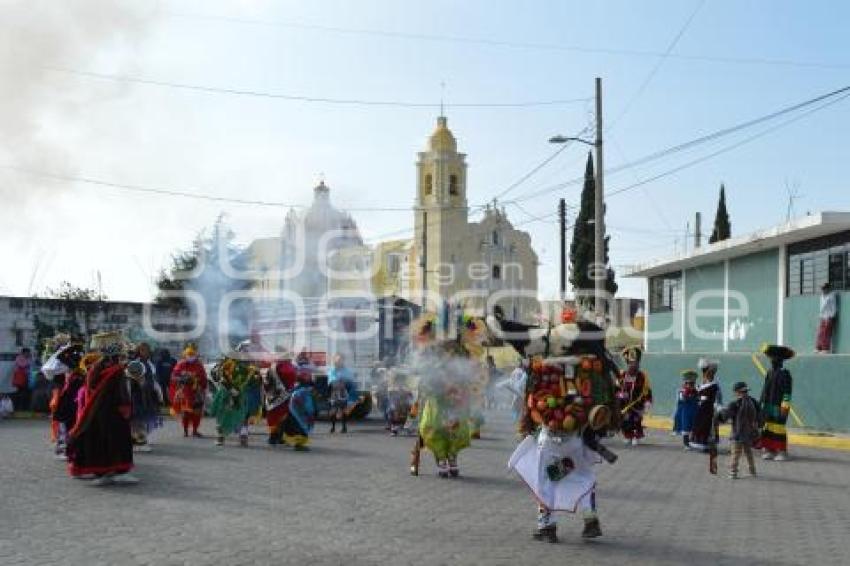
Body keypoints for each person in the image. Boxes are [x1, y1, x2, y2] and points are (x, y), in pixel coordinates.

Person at [66, 332, 138, 486]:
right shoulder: (117, 371)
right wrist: (126, 409)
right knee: (118, 441)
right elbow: (122, 393)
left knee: (101, 441)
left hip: (98, 411)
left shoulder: (97, 368)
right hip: (114, 413)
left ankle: (103, 472)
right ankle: (120, 472)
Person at [719, 381, 761, 479]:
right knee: (748, 453)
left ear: (736, 392)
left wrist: (719, 412)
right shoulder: (753, 401)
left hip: (737, 434)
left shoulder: (734, 404)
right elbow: (758, 416)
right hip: (748, 433)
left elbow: (725, 416)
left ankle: (733, 472)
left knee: (735, 454)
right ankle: (752, 471)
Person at [759, 345, 794, 461]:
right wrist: (761, 403)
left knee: (778, 428)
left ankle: (781, 451)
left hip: (780, 406)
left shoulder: (785, 374)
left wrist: (785, 406)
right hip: (768, 404)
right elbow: (765, 389)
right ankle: (769, 449)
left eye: (775, 358)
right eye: (771, 358)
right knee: (768, 426)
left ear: (780, 361)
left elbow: (787, 393)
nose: (772, 360)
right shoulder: (769, 372)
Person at [128, 343, 163, 452]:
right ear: (139, 351)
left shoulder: (148, 362)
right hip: (137, 394)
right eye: (143, 350)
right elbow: (133, 378)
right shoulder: (136, 363)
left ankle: (139, 439)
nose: (146, 352)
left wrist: (156, 389)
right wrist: (141, 383)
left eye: (147, 350)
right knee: (138, 418)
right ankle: (139, 442)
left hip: (148, 394)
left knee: (144, 418)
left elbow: (152, 378)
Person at [170, 343, 208, 438]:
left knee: (197, 412)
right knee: (185, 413)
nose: (191, 357)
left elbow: (204, 378)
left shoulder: (199, 365)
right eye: (189, 355)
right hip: (184, 392)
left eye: (192, 355)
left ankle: (195, 430)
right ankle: (185, 430)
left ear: (195, 355)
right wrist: (183, 379)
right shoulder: (180, 364)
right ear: (185, 355)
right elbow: (174, 377)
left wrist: (198, 381)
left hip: (196, 392)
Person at [617, 346, 653, 446]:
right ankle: (628, 436)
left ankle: (636, 436)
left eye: (636, 363)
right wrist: (619, 395)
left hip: (637, 404)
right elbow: (617, 388)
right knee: (625, 421)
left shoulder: (642, 376)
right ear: (627, 364)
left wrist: (647, 401)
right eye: (631, 364)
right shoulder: (622, 375)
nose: (633, 366)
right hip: (624, 405)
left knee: (636, 421)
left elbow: (647, 390)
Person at [689, 359, 722, 454]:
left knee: (709, 427)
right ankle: (701, 444)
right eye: (706, 372)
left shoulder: (715, 385)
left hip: (709, 410)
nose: (708, 375)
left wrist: (716, 407)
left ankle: (709, 445)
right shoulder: (701, 384)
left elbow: (718, 399)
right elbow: (698, 395)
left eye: (711, 373)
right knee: (700, 426)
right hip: (701, 410)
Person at [327, 354, 357, 434]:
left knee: (343, 410)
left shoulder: (347, 370)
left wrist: (344, 382)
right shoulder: (332, 369)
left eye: (340, 360)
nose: (338, 361)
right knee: (333, 410)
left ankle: (344, 427)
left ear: (343, 361)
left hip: (343, 392)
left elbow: (350, 380)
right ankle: (333, 427)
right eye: (337, 360)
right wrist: (338, 380)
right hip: (334, 392)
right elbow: (331, 380)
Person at [672, 370, 700, 449]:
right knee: (686, 427)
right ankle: (686, 443)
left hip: (695, 411)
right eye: (687, 383)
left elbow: (699, 399)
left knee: (694, 427)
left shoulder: (697, 390)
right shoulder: (681, 391)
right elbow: (682, 400)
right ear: (684, 383)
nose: (689, 385)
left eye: (691, 383)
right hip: (685, 412)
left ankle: (693, 441)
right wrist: (687, 392)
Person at [816, 282, 838, 353]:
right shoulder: (822, 296)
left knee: (826, 333)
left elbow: (834, 307)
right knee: (820, 333)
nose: (823, 290)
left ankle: (826, 349)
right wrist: (820, 316)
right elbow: (821, 307)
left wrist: (831, 316)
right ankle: (819, 348)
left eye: (824, 289)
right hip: (823, 317)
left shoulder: (832, 296)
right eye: (822, 289)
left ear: (828, 289)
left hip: (829, 317)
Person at [11, 347, 32, 412]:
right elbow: (22, 365)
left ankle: (23, 407)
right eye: (27, 352)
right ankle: (18, 407)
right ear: (24, 353)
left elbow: (30, 366)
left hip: (26, 377)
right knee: (20, 391)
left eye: (29, 353)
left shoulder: (28, 358)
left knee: (24, 391)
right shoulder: (19, 358)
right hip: (19, 377)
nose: (28, 354)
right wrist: (28, 362)